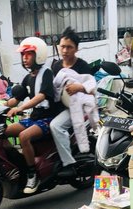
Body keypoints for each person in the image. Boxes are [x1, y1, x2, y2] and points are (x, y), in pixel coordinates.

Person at [6, 36, 59, 194]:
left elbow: (41, 96)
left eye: (28, 54)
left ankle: (32, 174)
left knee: (24, 137)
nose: (25, 58)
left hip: (49, 119)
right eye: (23, 55)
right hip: (34, 119)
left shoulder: (47, 74)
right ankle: (18, 166)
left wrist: (20, 108)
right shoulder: (28, 78)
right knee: (3, 132)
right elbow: (16, 99)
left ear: (39, 55)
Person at [50, 27, 94, 178]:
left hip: (78, 108)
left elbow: (92, 89)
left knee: (55, 126)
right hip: (61, 106)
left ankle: (69, 164)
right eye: (62, 46)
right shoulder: (56, 66)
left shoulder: (82, 66)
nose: (65, 50)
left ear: (76, 49)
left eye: (69, 47)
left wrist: (79, 87)